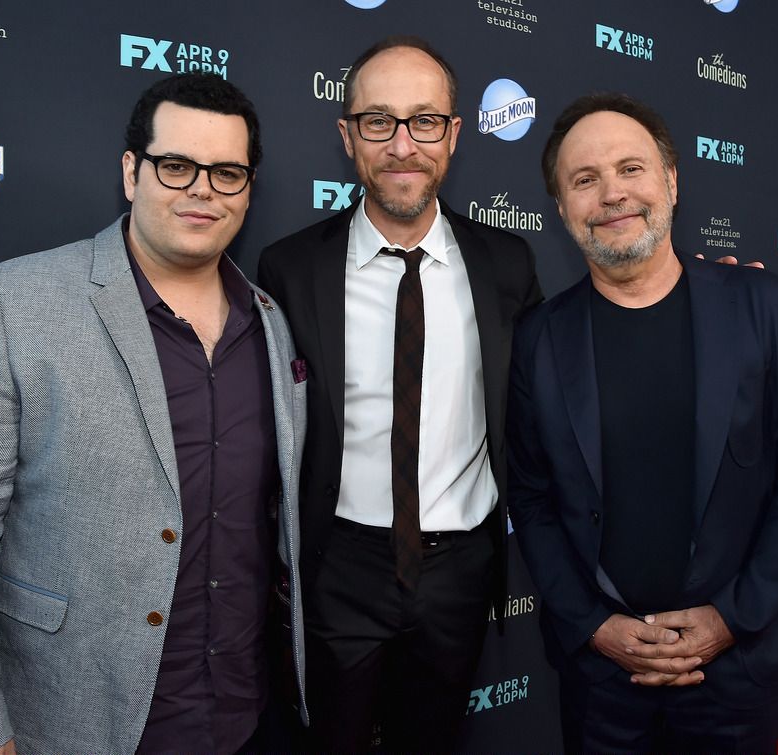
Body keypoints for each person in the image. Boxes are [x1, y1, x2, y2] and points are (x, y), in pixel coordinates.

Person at [0, 72, 307, 755]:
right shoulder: (14, 306)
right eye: (176, 165)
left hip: (241, 716)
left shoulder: (270, 321)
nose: (203, 188)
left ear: (248, 188)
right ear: (131, 171)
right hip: (74, 725)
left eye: (227, 172)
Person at [507, 92, 778, 753]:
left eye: (631, 169)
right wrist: (596, 626)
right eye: (585, 179)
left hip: (735, 669)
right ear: (562, 206)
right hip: (601, 678)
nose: (612, 195)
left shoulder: (762, 305)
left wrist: (727, 620)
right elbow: (532, 499)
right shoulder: (539, 336)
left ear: (672, 182)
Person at [258, 36, 541, 752]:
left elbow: (563, 377)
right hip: (337, 568)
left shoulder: (506, 263)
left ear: (453, 134)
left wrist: (681, 292)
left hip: (461, 570)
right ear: (347, 135)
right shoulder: (289, 268)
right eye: (379, 121)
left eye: (423, 121)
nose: (402, 145)